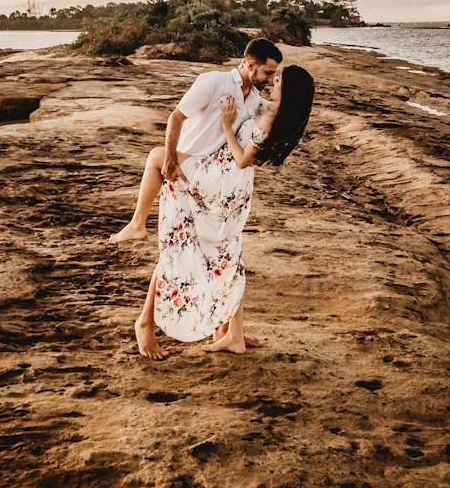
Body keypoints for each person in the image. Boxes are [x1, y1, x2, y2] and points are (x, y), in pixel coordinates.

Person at [134, 62, 315, 359]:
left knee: (159, 164)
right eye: (274, 74)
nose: (274, 80)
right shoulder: (275, 113)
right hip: (236, 190)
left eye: (279, 78)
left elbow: (243, 159)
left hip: (221, 179)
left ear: (288, 88)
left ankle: (137, 228)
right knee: (226, 257)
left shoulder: (271, 117)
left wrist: (224, 127)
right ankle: (232, 333)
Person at [108, 38, 283, 245]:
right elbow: (176, 117)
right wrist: (170, 159)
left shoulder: (254, 98)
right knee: (179, 231)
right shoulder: (213, 81)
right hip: (190, 162)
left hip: (213, 173)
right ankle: (138, 226)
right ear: (250, 65)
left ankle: (137, 223)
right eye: (268, 73)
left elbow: (278, 110)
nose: (271, 79)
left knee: (157, 159)